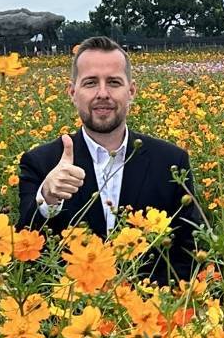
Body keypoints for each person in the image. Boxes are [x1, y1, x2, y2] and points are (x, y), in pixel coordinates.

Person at [17, 36, 202, 283]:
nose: (102, 93)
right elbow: (24, 250)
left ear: (131, 91)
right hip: (71, 311)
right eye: (91, 83)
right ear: (72, 92)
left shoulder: (170, 161)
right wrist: (48, 199)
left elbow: (189, 249)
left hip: (150, 311)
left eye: (114, 82)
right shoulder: (41, 162)